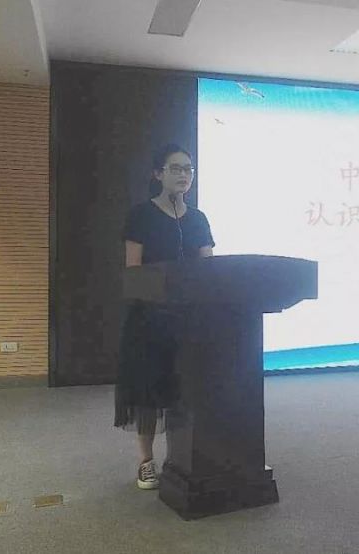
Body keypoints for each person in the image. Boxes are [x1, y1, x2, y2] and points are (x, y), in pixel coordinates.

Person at [115, 143, 214, 490]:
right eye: (176, 168)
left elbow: (209, 269)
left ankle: (185, 456)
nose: (184, 175)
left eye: (188, 169)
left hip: (189, 322)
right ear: (158, 174)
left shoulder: (198, 219)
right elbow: (133, 270)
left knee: (185, 390)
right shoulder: (141, 215)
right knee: (148, 391)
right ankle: (146, 461)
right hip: (150, 317)